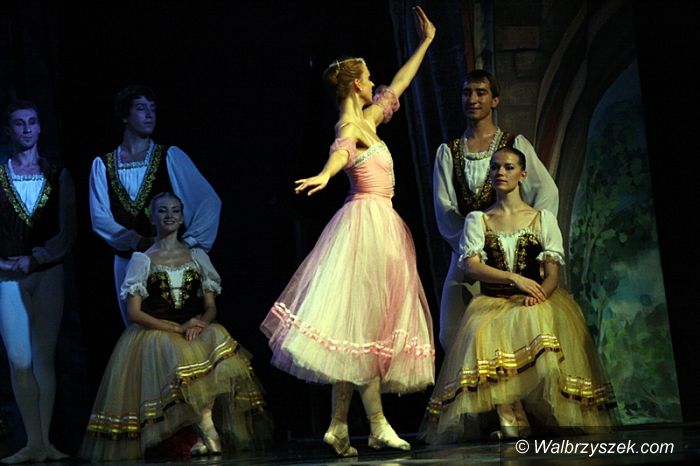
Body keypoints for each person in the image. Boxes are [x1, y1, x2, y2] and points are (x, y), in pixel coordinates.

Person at [260, 6, 435, 457]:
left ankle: (339, 425)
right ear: (356, 84)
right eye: (369, 76)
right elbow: (340, 152)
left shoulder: (370, 120)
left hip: (382, 224)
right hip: (363, 227)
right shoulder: (349, 125)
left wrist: (426, 43)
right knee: (363, 327)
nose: (375, 82)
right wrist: (325, 173)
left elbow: (399, 84)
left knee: (355, 328)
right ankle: (377, 424)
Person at [419, 147, 615, 444]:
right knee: (483, 330)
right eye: (495, 167)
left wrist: (539, 295)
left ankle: (535, 417)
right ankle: (511, 417)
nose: (500, 172)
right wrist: (513, 278)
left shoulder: (541, 219)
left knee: (533, 322)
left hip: (535, 300)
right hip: (494, 302)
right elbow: (471, 266)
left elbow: (552, 275)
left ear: (522, 175)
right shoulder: (478, 220)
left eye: (508, 167)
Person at [79, 192, 269, 461]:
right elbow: (134, 312)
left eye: (175, 211)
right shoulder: (142, 259)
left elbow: (211, 306)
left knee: (215, 344)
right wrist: (178, 329)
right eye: (163, 211)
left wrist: (201, 324)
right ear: (152, 217)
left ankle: (205, 432)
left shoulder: (197, 256)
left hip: (195, 326)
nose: (169, 215)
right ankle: (207, 432)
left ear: (182, 218)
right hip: (159, 331)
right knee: (179, 359)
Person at [433, 69, 559, 352]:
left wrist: (529, 237)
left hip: (513, 247)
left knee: (522, 329)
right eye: (467, 93)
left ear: (495, 100)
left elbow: (547, 191)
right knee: (452, 331)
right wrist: (475, 244)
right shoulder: (449, 152)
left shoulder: (514, 145)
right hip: (469, 249)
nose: (473, 99)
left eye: (481, 93)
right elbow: (444, 209)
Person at [89, 85, 221, 326]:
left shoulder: (170, 156)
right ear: (125, 116)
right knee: (138, 329)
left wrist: (188, 243)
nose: (149, 115)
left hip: (170, 262)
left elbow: (209, 202)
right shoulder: (103, 165)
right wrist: (136, 241)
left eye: (153, 109)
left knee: (175, 326)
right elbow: (100, 217)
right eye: (141, 108)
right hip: (129, 260)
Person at [0, 100, 75, 464]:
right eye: (19, 123)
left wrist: (39, 257)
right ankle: (32, 442)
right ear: (9, 130)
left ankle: (44, 443)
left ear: (40, 127)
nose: (27, 129)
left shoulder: (57, 174)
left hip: (47, 273)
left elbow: (67, 229)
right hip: (6, 275)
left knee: (43, 356)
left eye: (32, 122)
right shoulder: (0, 174)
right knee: (19, 358)